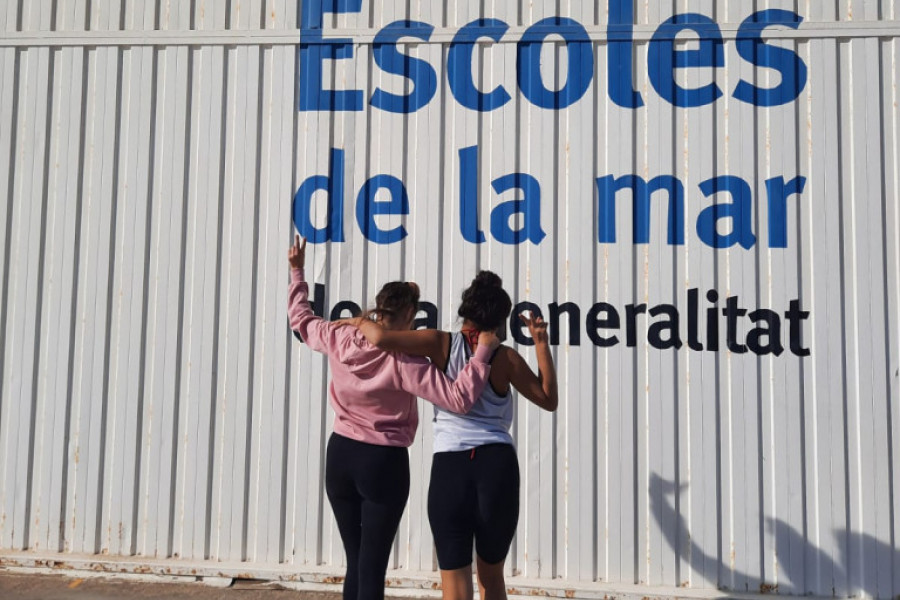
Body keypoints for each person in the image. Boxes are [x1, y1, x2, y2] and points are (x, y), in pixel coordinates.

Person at [287, 236, 500, 600]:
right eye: (413, 317)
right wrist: (482, 353)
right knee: (371, 566)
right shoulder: (403, 361)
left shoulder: (340, 335)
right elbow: (459, 398)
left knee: (356, 562)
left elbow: (301, 320)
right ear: (404, 317)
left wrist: (297, 271)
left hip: (339, 456)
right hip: (381, 462)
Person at [350, 270, 558, 600]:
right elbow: (549, 400)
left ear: (465, 311)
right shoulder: (506, 358)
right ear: (499, 318)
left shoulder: (438, 342)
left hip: (451, 469)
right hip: (497, 467)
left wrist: (358, 321)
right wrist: (541, 343)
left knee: (454, 581)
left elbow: (382, 338)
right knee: (491, 577)